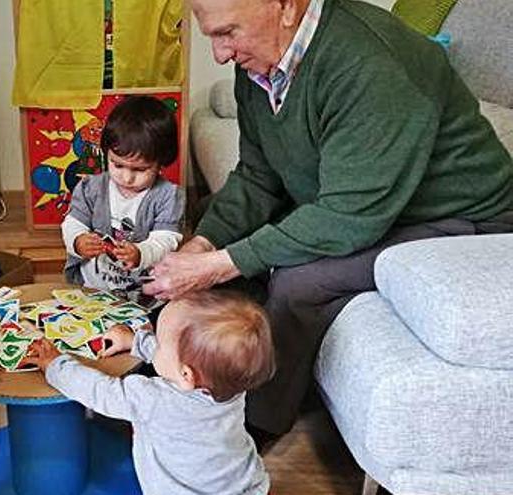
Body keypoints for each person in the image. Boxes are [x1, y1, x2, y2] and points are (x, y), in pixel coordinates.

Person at [144, 0, 513, 442]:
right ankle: (183, 367)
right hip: (362, 197)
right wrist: (203, 245)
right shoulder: (259, 63)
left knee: (301, 281)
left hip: (459, 217)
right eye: (212, 36)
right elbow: (259, 176)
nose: (221, 54)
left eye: (228, 33)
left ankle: (252, 423)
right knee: (215, 221)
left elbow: (350, 216)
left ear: (284, 7)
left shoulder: (371, 67)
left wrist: (224, 262)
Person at [26, 290, 274, 495]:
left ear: (187, 375)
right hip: (244, 483)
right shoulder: (229, 383)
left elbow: (100, 392)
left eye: (160, 341)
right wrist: (136, 342)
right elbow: (177, 361)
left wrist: (55, 365)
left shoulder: (154, 398)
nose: (156, 342)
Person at [61, 95, 185, 294]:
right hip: (92, 286)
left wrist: (140, 253)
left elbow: (166, 240)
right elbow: (73, 223)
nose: (126, 178)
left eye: (140, 169)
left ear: (161, 162)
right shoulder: (91, 188)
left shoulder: (168, 196)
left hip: (143, 291)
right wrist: (78, 240)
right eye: (117, 165)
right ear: (106, 152)